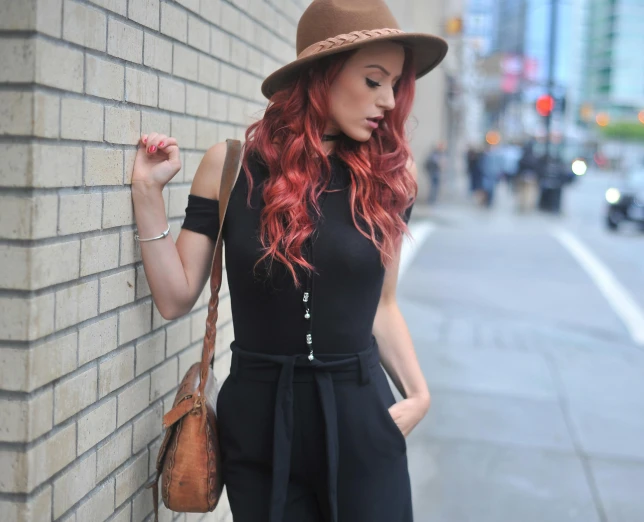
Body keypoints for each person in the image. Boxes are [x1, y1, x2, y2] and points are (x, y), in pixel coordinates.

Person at [130, 1, 448, 520]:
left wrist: (418, 395)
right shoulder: (230, 166)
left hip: (360, 412)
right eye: (373, 81)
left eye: (394, 84)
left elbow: (383, 306)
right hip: (258, 422)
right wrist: (147, 192)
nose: (389, 100)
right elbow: (175, 295)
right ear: (321, 76)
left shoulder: (392, 179)